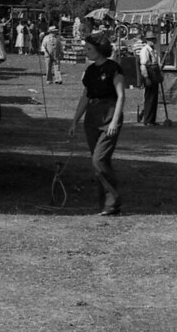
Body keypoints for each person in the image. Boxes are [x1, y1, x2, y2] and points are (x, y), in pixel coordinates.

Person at [68, 33, 126, 216]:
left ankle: (114, 201)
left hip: (109, 115)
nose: (85, 51)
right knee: (99, 163)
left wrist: (115, 121)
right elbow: (85, 97)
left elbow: (121, 96)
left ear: (100, 50)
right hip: (92, 117)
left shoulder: (113, 68)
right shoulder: (90, 71)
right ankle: (106, 204)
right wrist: (75, 121)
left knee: (98, 160)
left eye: (89, 49)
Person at [137, 31, 161, 126]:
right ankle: (147, 119)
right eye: (150, 39)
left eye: (153, 39)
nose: (152, 41)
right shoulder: (145, 50)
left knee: (154, 98)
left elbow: (156, 63)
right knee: (149, 98)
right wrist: (146, 78)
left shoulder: (153, 50)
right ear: (147, 40)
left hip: (154, 75)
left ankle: (152, 119)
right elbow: (143, 65)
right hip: (149, 74)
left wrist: (159, 75)